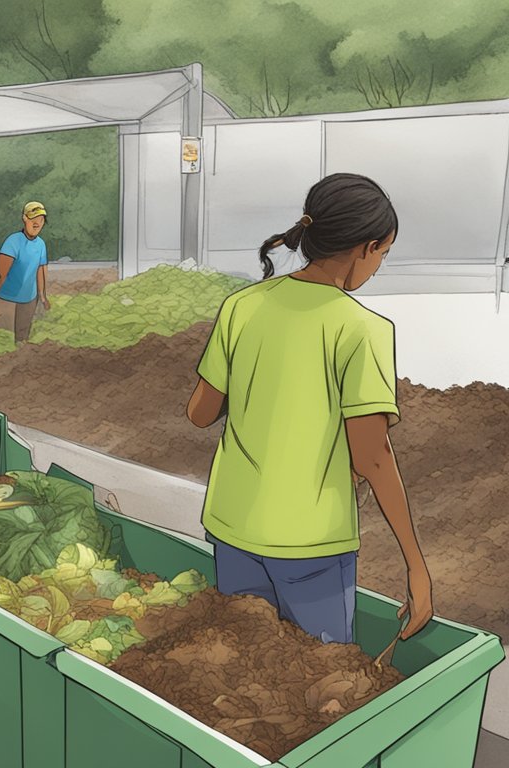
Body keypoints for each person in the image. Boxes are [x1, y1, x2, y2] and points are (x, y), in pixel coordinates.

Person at [186, 172, 433, 646]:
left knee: (246, 667)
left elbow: (200, 412)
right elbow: (372, 458)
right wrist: (416, 566)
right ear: (366, 246)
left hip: (232, 526)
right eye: (382, 254)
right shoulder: (362, 329)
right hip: (310, 544)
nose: (378, 266)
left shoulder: (242, 305)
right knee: (318, 688)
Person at [0, 202, 51, 343]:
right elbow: (1, 276)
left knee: (22, 337)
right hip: (7, 298)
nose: (37, 223)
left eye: (41, 219)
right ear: (25, 218)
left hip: (29, 298)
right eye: (33, 219)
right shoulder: (13, 242)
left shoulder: (41, 244)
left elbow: (40, 270)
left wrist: (42, 296)